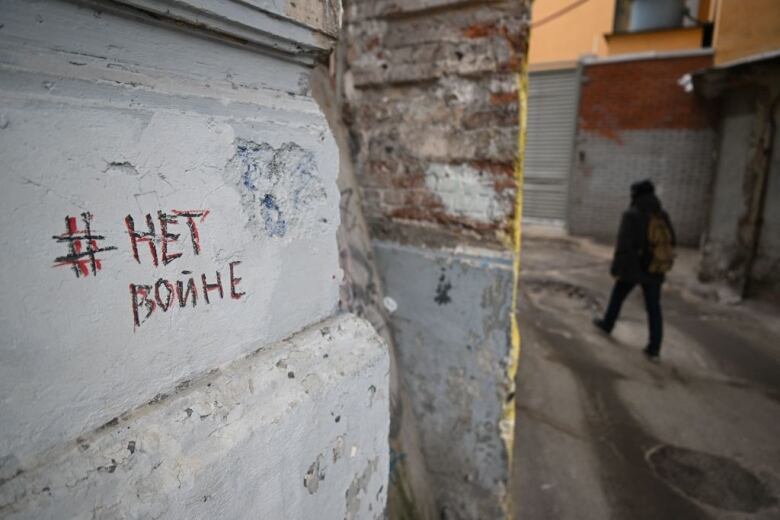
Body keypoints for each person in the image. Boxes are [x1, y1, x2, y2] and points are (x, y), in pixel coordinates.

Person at [593, 180, 676, 362]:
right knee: (654, 308)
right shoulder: (661, 215)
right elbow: (672, 241)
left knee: (618, 296)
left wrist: (617, 267)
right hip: (655, 267)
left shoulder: (631, 215)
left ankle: (607, 324)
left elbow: (623, 245)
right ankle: (654, 348)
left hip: (633, 267)